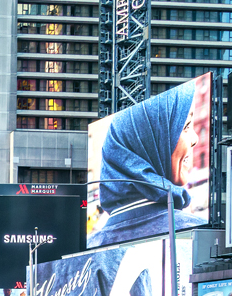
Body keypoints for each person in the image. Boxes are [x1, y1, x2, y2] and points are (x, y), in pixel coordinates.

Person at [89, 77, 208, 248]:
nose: (196, 139)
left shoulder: (90, 246)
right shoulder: (195, 234)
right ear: (150, 143)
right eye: (186, 126)